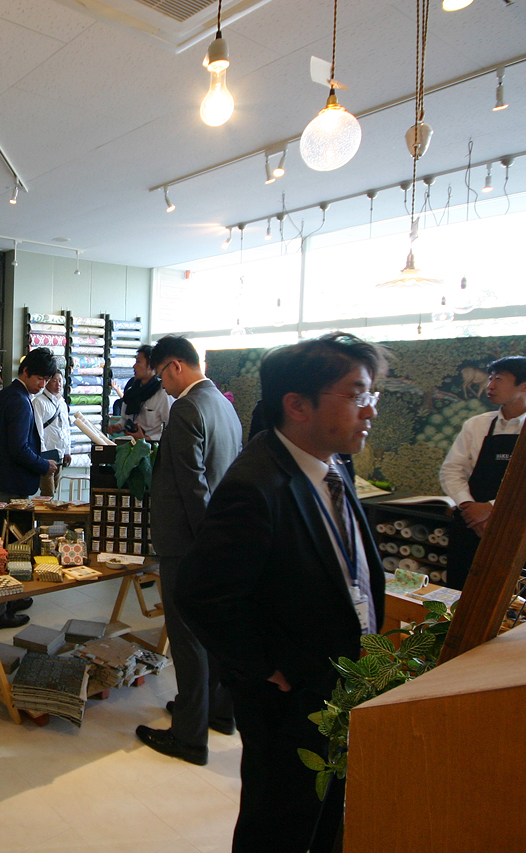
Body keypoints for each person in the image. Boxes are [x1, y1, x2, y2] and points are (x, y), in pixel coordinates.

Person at [177, 331, 388, 853]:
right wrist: (266, 667)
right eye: (356, 394)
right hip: (289, 696)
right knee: (280, 823)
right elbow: (202, 594)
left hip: (338, 679)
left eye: (371, 394)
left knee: (325, 814)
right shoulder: (256, 484)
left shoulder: (333, 463)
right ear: (297, 405)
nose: (370, 410)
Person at [134, 335, 242, 766]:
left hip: (187, 542)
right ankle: (217, 711)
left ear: (176, 366)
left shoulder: (187, 408)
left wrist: (202, 542)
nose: (162, 384)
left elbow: (192, 485)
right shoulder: (224, 405)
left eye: (161, 375)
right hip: (215, 536)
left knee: (186, 638)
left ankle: (189, 736)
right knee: (212, 632)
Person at [439, 355, 526, 590]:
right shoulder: (476, 425)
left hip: (517, 526)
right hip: (470, 524)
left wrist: (491, 508)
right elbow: (451, 469)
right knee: (461, 592)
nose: (490, 386)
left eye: (499, 380)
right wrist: (469, 507)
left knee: (517, 596)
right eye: (490, 379)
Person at [0, 347, 60, 629]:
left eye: (47, 379)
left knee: (7, 543)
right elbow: (18, 449)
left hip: (3, 479)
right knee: (6, 547)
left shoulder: (8, 394)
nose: (42, 384)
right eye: (40, 378)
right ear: (25, 371)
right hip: (10, 483)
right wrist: (43, 465)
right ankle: (0, 612)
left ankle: (12, 598)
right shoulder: (19, 400)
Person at [114, 345, 171, 441]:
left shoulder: (163, 394)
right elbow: (124, 419)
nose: (134, 366)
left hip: (153, 446)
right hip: (131, 443)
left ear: (151, 366)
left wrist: (146, 439)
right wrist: (118, 426)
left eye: (138, 362)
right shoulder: (131, 391)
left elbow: (170, 428)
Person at [31, 369, 72, 498]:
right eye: (54, 381)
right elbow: (38, 430)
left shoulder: (62, 403)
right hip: (47, 454)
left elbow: (66, 428)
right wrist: (42, 454)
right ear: (47, 382)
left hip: (59, 453)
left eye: (60, 381)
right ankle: (46, 512)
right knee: (47, 492)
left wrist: (67, 450)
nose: (58, 384)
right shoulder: (39, 402)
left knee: (54, 490)